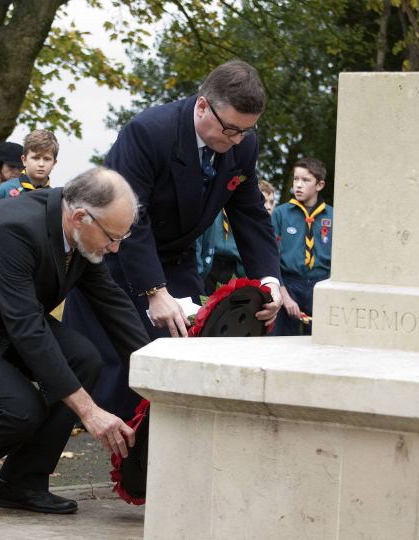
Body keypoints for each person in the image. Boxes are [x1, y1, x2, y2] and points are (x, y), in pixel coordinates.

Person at [0, 168, 150, 516]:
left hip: (6, 323)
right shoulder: (14, 229)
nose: (114, 248)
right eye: (112, 236)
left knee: (84, 358)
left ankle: (21, 482)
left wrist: (155, 373)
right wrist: (90, 411)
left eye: (121, 238)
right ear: (81, 216)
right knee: (20, 408)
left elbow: (112, 304)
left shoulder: (77, 232)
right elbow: (27, 329)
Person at [63, 60, 282, 421]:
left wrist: (270, 281)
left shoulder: (242, 145)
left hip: (177, 259)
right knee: (124, 365)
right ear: (201, 106)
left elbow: (251, 215)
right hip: (117, 257)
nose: (237, 140)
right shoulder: (149, 132)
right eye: (230, 129)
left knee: (186, 349)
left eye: (247, 131)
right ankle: (124, 457)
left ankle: (163, 448)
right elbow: (132, 217)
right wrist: (155, 291)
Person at [271, 157, 333, 336]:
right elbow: (272, 257)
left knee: (318, 340)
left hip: (321, 284)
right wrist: (285, 296)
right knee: (280, 340)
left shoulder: (333, 216)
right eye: (296, 179)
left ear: (319, 185)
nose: (298, 185)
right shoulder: (281, 214)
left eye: (306, 180)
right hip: (289, 285)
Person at [0, 131, 57, 200]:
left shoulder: (55, 197)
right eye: (35, 158)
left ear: (54, 163)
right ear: (24, 160)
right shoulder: (3, 190)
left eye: (47, 159)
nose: (41, 164)